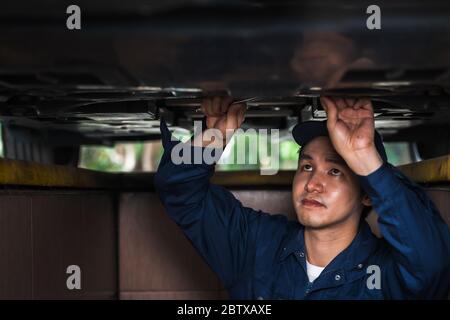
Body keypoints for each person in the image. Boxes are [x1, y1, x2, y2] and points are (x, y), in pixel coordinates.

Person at [154, 96, 450, 299]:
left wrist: (364, 156)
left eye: (335, 171)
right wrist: (212, 136)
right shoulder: (254, 244)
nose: (312, 184)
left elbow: (433, 265)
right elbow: (181, 193)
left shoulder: (386, 274)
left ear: (368, 196)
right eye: (307, 166)